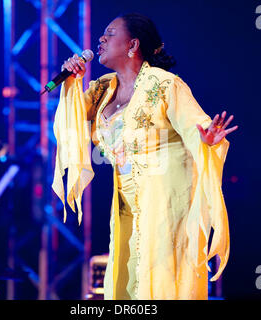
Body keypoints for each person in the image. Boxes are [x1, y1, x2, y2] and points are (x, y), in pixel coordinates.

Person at [52, 13, 238, 300]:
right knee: (126, 277)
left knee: (159, 276)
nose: (101, 39)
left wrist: (206, 139)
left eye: (110, 33)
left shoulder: (164, 85)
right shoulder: (102, 87)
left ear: (132, 44)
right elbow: (71, 124)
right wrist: (72, 83)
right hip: (126, 198)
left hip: (167, 196)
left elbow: (194, 126)